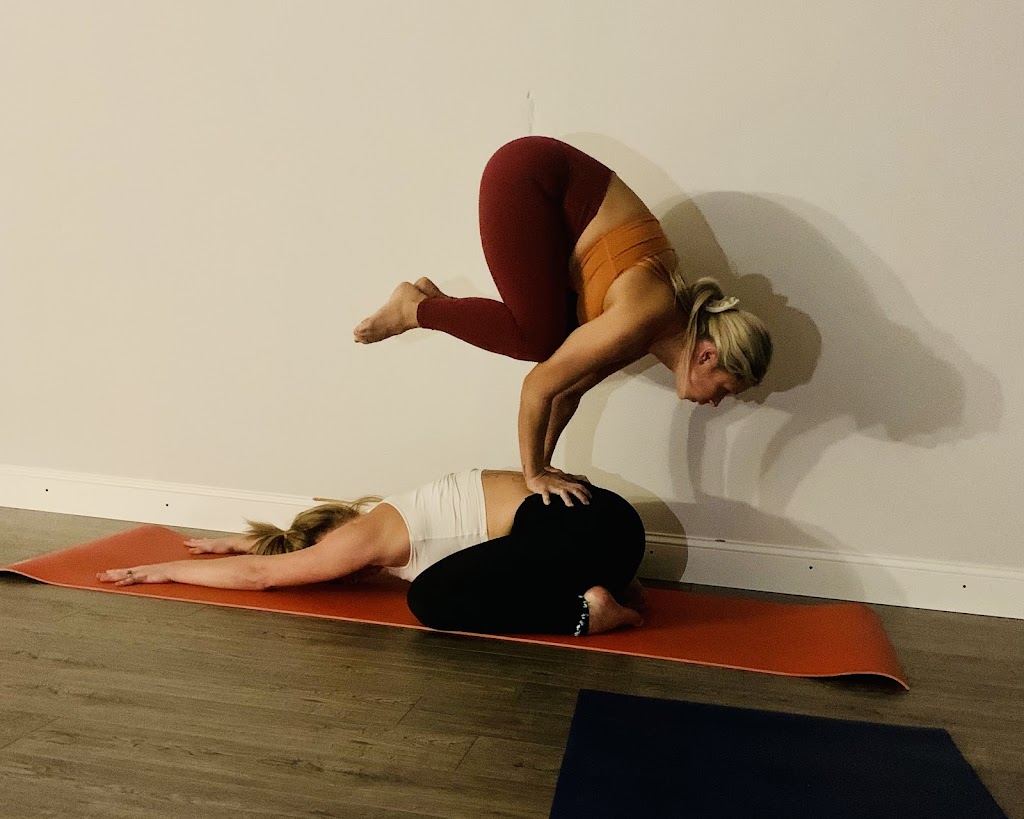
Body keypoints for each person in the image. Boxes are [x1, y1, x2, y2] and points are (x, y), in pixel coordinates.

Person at [353, 136, 772, 507]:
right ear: (706, 356)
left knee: (555, 346)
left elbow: (570, 388)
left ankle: (433, 304)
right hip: (527, 176)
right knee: (539, 341)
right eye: (724, 389)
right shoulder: (646, 315)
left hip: (547, 188)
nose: (717, 403)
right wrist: (534, 473)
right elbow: (538, 386)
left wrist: (543, 467)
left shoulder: (655, 328)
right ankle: (414, 308)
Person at [97, 469, 646, 637]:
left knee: (431, 600)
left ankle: (589, 613)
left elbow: (263, 574)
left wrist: (164, 570)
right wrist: (243, 540)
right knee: (465, 580)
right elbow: (273, 555)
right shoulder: (392, 519)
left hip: (582, 531)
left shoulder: (361, 535)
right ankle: (610, 586)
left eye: (325, 564)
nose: (338, 574)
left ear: (331, 534)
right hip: (610, 532)